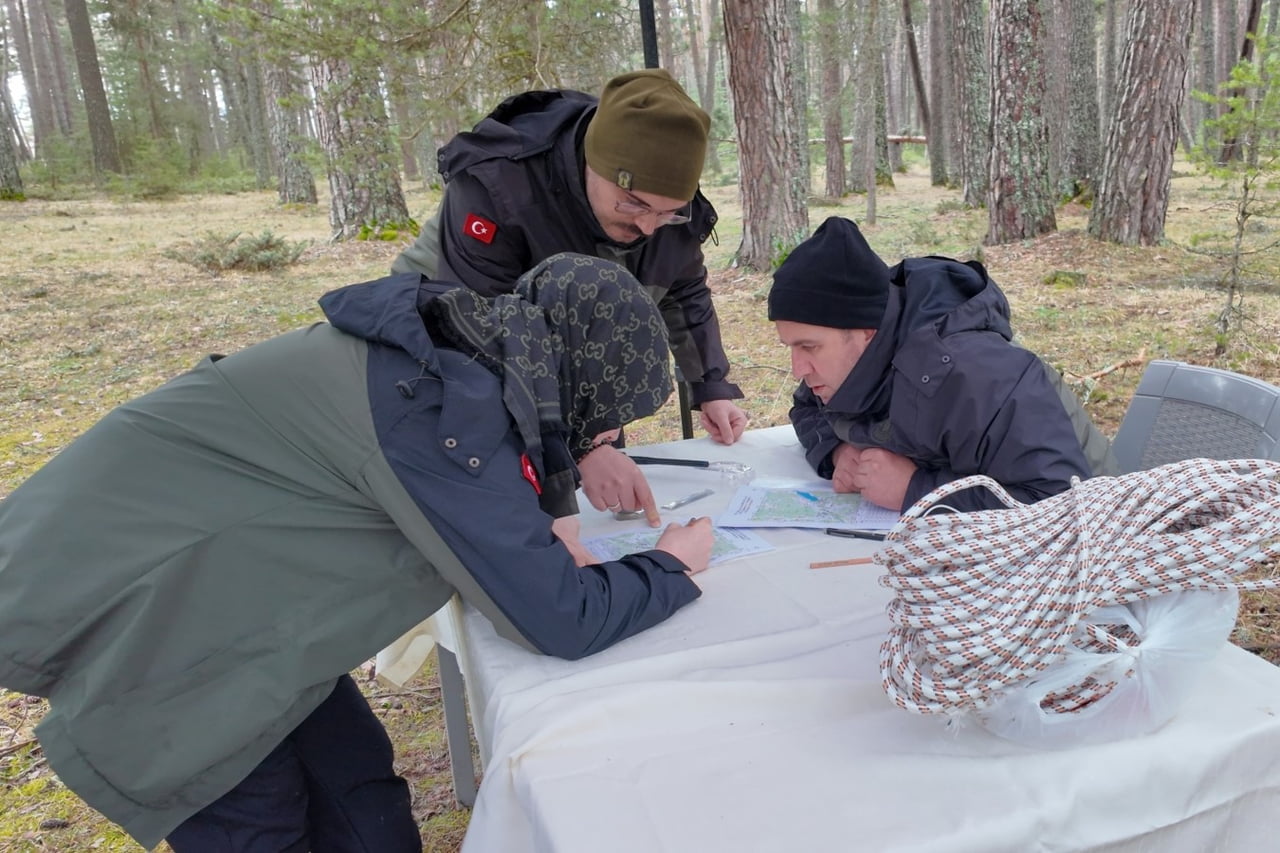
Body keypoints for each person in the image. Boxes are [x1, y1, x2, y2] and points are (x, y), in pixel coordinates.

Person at [0, 253, 714, 852]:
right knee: (262, 821)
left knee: (359, 791)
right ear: (578, 373)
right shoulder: (438, 411)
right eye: (612, 410)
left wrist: (557, 502)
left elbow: (518, 470)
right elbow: (560, 617)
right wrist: (669, 564)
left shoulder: (465, 351)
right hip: (166, 624)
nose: (612, 431)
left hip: (236, 598)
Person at [392, 69, 749, 522]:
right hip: (450, 310)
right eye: (634, 204)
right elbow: (483, 340)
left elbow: (681, 290)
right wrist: (580, 449)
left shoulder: (663, 205)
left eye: (668, 213)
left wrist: (710, 384)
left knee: (592, 478)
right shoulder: (499, 187)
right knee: (494, 464)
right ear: (592, 165)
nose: (647, 227)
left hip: (565, 312)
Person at [769, 217, 1117, 514]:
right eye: (789, 347)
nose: (798, 368)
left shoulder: (979, 376)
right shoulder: (842, 368)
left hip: (1098, 546)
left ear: (865, 332)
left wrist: (918, 491)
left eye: (808, 346)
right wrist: (838, 450)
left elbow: (1062, 502)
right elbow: (806, 406)